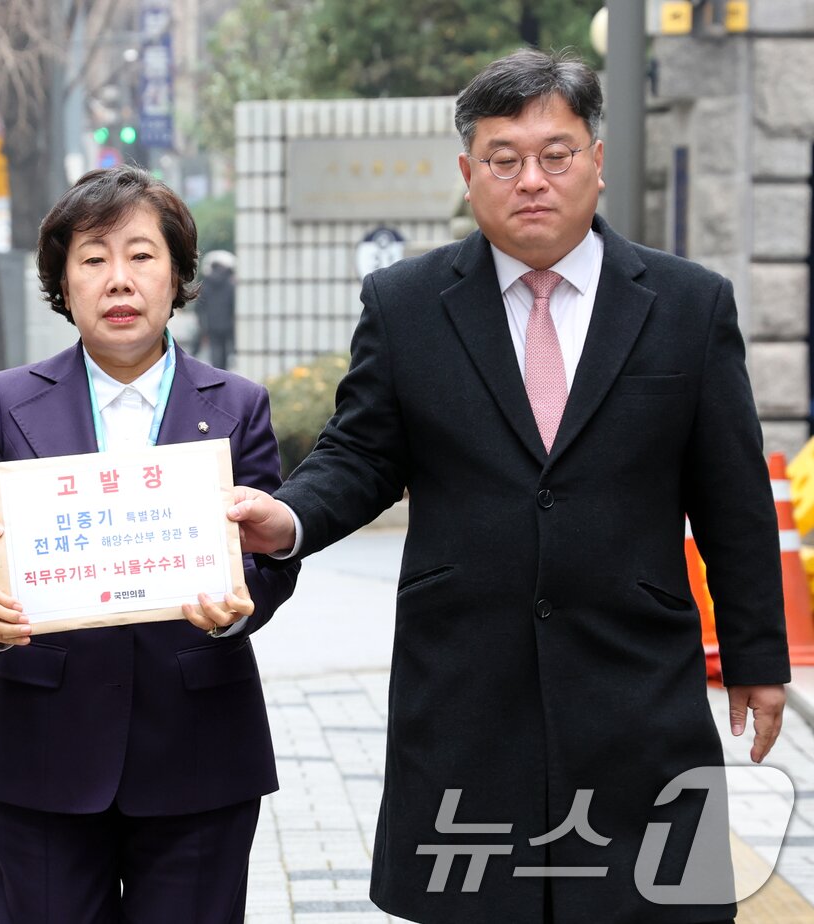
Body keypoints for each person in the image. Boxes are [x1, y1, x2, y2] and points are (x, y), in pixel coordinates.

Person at [228, 49, 789, 924]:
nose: (532, 179)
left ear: (596, 162)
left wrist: (758, 657)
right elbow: (362, 452)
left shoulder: (687, 306)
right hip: (466, 691)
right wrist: (289, 518)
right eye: (504, 158)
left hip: (635, 686)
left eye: (556, 154)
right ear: (467, 172)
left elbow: (734, 498)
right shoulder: (407, 305)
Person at [0, 165, 299, 922]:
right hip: (41, 750)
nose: (119, 280)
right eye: (94, 260)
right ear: (63, 285)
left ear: (178, 277)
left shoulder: (236, 406)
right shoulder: (9, 400)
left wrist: (238, 606)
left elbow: (264, 558)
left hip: (200, 750)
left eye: (141, 256)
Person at [197, 249, 236, 369]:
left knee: (215, 350)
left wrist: (202, 325)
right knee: (225, 350)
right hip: (227, 323)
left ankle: (217, 371)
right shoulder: (230, 284)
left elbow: (199, 307)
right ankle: (224, 373)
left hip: (211, 323)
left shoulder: (206, 284)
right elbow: (233, 305)